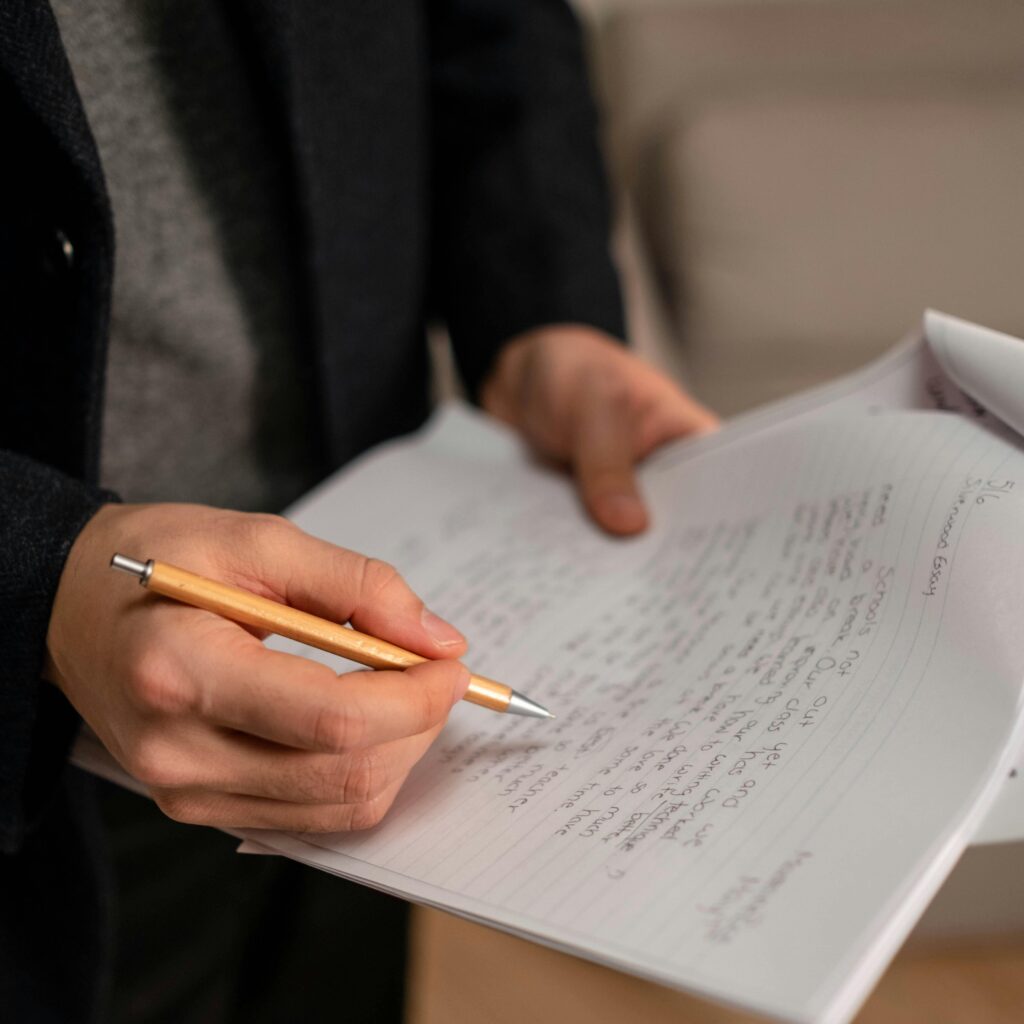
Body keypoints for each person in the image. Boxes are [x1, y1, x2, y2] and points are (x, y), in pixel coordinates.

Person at [0, 1, 716, 1021]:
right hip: (45, 749)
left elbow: (492, 24)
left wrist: (538, 306)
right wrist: (33, 564)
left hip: (369, 591)